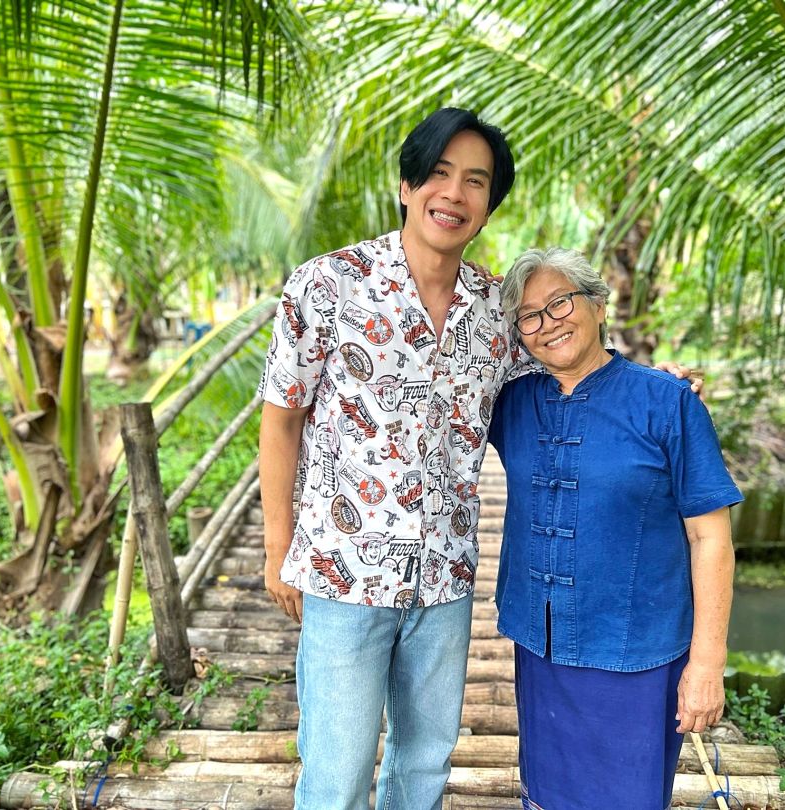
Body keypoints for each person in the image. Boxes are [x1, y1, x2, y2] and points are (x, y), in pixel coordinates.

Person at [257, 108, 700, 810]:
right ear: (406, 186)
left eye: (475, 181)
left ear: (489, 205)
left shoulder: (496, 309)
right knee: (336, 775)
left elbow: (570, 357)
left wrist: (654, 382)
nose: (454, 193)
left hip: (445, 577)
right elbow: (281, 418)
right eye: (438, 174)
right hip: (343, 570)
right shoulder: (327, 285)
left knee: (424, 766)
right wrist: (278, 546)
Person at [489, 246, 741, 810]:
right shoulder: (511, 403)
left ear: (599, 305)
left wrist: (707, 663)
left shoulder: (667, 402)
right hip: (542, 645)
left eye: (560, 303)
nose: (548, 323)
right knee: (547, 794)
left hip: (637, 649)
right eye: (528, 317)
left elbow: (711, 538)